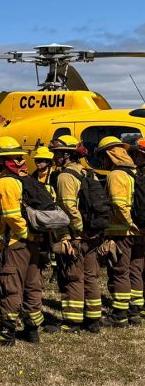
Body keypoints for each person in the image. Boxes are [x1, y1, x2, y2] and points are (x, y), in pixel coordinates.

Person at [0, 136, 44, 347]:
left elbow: (11, 215)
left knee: (11, 285)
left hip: (15, 243)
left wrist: (23, 234)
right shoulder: (27, 179)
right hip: (32, 242)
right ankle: (32, 330)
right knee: (32, 285)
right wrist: (33, 236)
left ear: (1, 160)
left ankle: (7, 333)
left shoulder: (6, 181)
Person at [46, 135, 102, 333]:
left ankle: (72, 322)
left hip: (77, 236)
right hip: (93, 234)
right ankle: (94, 319)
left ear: (67, 154)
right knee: (90, 277)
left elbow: (68, 207)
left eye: (57, 153)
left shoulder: (65, 176)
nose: (54, 157)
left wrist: (77, 231)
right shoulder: (88, 173)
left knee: (73, 277)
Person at [97, 136, 138, 327]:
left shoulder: (116, 175)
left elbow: (118, 204)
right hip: (138, 233)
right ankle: (135, 311)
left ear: (109, 155)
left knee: (120, 272)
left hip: (122, 232)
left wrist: (129, 225)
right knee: (135, 270)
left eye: (102, 157)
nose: (102, 162)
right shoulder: (135, 172)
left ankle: (119, 315)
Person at [126, 139, 145, 325]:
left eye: (136, 154)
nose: (133, 158)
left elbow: (139, 205)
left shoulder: (140, 177)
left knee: (135, 267)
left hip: (140, 230)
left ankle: (135, 309)